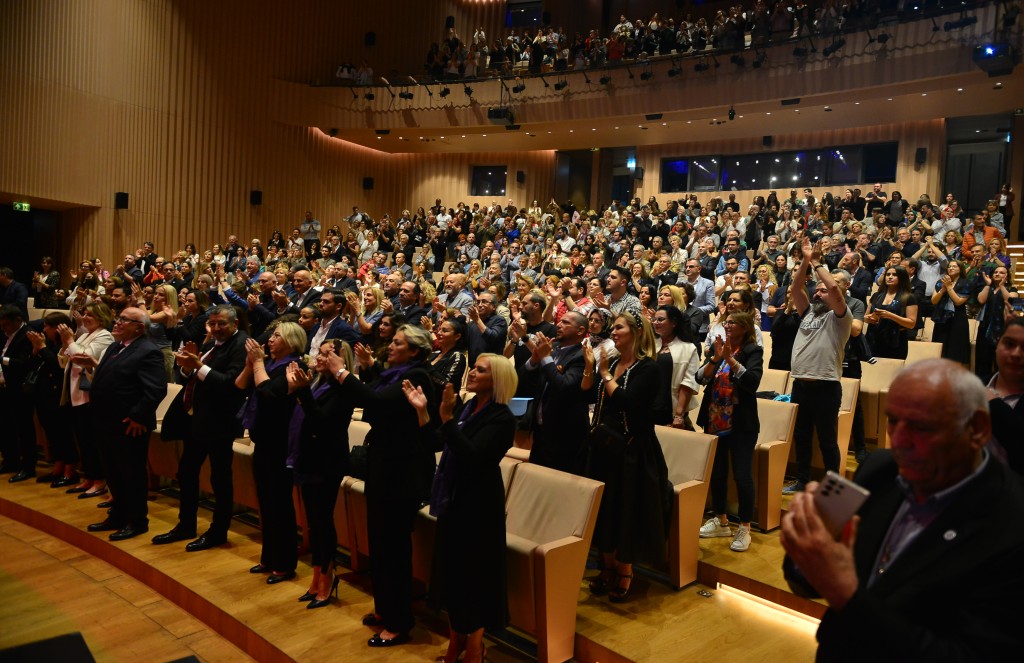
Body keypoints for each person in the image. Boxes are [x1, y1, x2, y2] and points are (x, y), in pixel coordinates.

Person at [780, 359, 1024, 661]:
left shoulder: (1012, 523)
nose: (899, 441)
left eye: (921, 426)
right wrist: (806, 546)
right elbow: (804, 579)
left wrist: (845, 593)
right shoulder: (880, 468)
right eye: (893, 421)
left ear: (976, 429)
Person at [402, 354, 517, 663]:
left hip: (479, 506)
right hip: (455, 499)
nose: (472, 373)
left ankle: (475, 649)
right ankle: (455, 645)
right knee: (453, 576)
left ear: (497, 380)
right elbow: (438, 443)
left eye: (481, 370)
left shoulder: (503, 418)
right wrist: (424, 411)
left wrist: (448, 419)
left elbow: (474, 456)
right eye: (474, 368)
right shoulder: (469, 407)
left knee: (473, 579)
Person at [332, 324, 437, 647]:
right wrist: (371, 368)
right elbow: (381, 393)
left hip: (401, 475)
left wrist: (342, 374)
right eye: (391, 341)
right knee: (379, 544)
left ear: (415, 351)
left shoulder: (418, 376)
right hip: (385, 469)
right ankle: (385, 609)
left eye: (397, 343)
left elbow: (377, 404)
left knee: (393, 549)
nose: (389, 346)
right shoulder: (396, 373)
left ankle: (399, 622)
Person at [581, 311, 669, 603]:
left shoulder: (649, 368)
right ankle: (606, 566)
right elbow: (594, 399)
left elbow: (629, 404)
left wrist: (605, 374)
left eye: (618, 328)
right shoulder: (615, 363)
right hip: (606, 447)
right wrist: (593, 370)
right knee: (605, 509)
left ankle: (625, 569)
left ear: (636, 332)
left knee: (626, 510)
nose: (613, 332)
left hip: (633, 450)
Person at [153, 305, 249, 552]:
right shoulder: (213, 342)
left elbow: (230, 384)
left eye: (221, 324)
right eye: (213, 324)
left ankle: (218, 532)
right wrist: (187, 366)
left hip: (220, 422)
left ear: (235, 323)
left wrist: (197, 365)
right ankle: (186, 525)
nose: (216, 329)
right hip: (197, 420)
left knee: (220, 479)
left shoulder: (241, 344)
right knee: (186, 472)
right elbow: (193, 375)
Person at [75, 307, 167, 541]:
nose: (117, 322)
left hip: (128, 424)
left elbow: (155, 390)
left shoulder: (149, 351)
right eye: (118, 318)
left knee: (131, 473)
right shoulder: (115, 346)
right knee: (113, 472)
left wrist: (137, 416)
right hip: (106, 422)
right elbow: (109, 379)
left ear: (139, 326)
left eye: (124, 320)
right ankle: (118, 515)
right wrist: (91, 366)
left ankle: (137, 521)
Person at [286, 339, 355, 609]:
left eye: (328, 354)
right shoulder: (316, 382)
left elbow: (322, 423)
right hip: (308, 456)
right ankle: (316, 577)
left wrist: (301, 392)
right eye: (321, 352)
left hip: (327, 461)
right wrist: (297, 390)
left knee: (323, 521)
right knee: (313, 520)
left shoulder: (343, 388)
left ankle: (328, 577)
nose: (321, 357)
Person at [235, 322, 306, 582]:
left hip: (281, 444)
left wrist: (257, 364)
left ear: (291, 341)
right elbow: (240, 385)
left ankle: (285, 563)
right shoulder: (270, 364)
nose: (271, 339)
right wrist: (249, 364)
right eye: (272, 334)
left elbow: (268, 393)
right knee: (266, 503)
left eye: (277, 335)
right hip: (263, 441)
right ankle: (269, 556)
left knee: (280, 505)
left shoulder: (293, 366)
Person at [783, 237, 852, 495]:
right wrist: (804, 260)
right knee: (801, 437)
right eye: (817, 290)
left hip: (826, 386)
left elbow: (833, 287)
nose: (818, 292)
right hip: (801, 384)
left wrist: (817, 263)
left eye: (821, 290)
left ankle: (833, 486)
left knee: (826, 440)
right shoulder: (809, 312)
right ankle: (802, 479)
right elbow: (796, 285)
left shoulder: (841, 316)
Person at [697, 311, 764, 552]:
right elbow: (699, 378)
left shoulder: (752, 352)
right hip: (715, 420)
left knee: (742, 475)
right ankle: (721, 520)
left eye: (732, 323)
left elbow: (752, 382)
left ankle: (744, 527)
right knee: (717, 472)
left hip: (741, 423)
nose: (727, 325)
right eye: (726, 322)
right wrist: (716, 359)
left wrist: (731, 360)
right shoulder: (719, 350)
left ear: (745, 328)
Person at [57, 302, 115, 497]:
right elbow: (65, 360)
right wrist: (67, 343)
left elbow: (85, 358)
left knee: (91, 441)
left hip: (89, 395)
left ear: (101, 317)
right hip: (73, 392)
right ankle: (89, 478)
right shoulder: (82, 335)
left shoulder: (105, 336)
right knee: (83, 440)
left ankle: (99, 480)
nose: (85, 317)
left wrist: (69, 342)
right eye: (85, 313)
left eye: (90, 314)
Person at [522, 310, 589, 473]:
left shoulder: (582, 357)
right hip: (540, 432)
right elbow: (524, 380)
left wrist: (545, 358)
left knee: (557, 488)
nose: (558, 324)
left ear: (580, 331)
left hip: (564, 436)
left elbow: (563, 387)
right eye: (560, 321)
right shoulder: (552, 349)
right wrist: (534, 359)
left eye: (566, 323)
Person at [27, 312, 77, 487]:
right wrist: (36, 350)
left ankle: (70, 470)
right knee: (52, 434)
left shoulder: (65, 344)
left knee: (62, 433)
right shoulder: (48, 343)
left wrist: (41, 348)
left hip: (59, 396)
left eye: (47, 326)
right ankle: (58, 466)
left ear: (58, 328)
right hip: (43, 395)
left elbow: (58, 367)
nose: (44, 329)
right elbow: (34, 366)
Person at [0, 305, 36, 480]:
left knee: (24, 429)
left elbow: (23, 363)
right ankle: (10, 461)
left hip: (20, 390)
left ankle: (28, 466)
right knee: (5, 427)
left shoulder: (27, 335)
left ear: (18, 320)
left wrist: (2, 360)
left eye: (6, 324)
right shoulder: (6, 334)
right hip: (4, 388)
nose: (3, 328)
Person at [651, 305, 700, 430]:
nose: (656, 323)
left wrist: (679, 414)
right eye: (654, 319)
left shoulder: (688, 348)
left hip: (670, 408)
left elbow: (688, 383)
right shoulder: (649, 344)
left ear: (673, 323)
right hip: (647, 407)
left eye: (660, 319)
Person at [975, 265, 1018, 383]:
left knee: (1000, 361)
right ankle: (982, 386)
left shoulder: (1012, 289)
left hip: (1002, 329)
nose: (998, 274)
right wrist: (988, 285)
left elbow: (1011, 301)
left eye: (1002, 273)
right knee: (982, 360)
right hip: (984, 328)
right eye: (996, 272)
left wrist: (1002, 286)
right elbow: (981, 300)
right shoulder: (988, 288)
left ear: (1007, 277)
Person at [864, 265, 917, 360]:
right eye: (888, 274)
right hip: (873, 338)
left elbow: (911, 324)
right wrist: (869, 318)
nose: (890, 277)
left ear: (902, 277)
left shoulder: (909, 297)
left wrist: (890, 316)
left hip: (895, 341)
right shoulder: (876, 295)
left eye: (894, 275)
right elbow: (865, 318)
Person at [930, 259, 971, 365]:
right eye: (949, 266)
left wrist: (948, 287)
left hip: (958, 319)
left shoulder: (966, 283)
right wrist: (943, 289)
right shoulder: (940, 282)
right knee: (940, 350)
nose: (951, 268)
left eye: (954, 266)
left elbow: (958, 302)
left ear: (960, 269)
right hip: (941, 318)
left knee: (955, 352)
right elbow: (934, 301)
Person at [426, 316, 468, 391]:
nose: (439, 333)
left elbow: (447, 385)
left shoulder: (457, 357)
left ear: (457, 336)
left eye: (444, 331)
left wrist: (425, 364)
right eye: (439, 329)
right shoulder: (435, 353)